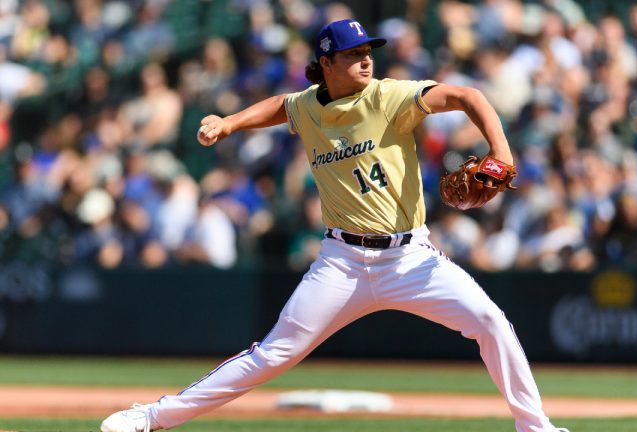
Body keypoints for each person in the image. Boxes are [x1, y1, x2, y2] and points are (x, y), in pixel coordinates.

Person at [100, 19, 569, 432]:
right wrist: (229, 123)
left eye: (368, 53)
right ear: (326, 62)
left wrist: (501, 153)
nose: (366, 62)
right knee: (273, 355)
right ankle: (155, 416)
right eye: (354, 55)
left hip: (410, 258)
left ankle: (535, 428)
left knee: (489, 321)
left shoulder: (387, 96)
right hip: (341, 261)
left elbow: (468, 95)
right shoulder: (309, 106)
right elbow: (281, 106)